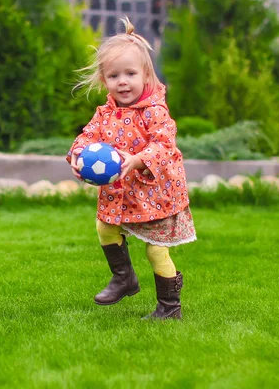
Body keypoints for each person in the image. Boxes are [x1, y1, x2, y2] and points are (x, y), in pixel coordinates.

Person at [66, 17, 196, 320]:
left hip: (156, 193)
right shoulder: (106, 113)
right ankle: (124, 279)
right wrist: (76, 154)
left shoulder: (155, 111)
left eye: (130, 73)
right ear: (104, 79)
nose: (122, 81)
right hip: (122, 193)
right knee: (104, 226)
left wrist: (137, 160)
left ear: (146, 75)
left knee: (155, 250)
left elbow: (164, 145)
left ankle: (169, 307)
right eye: (113, 76)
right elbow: (86, 136)